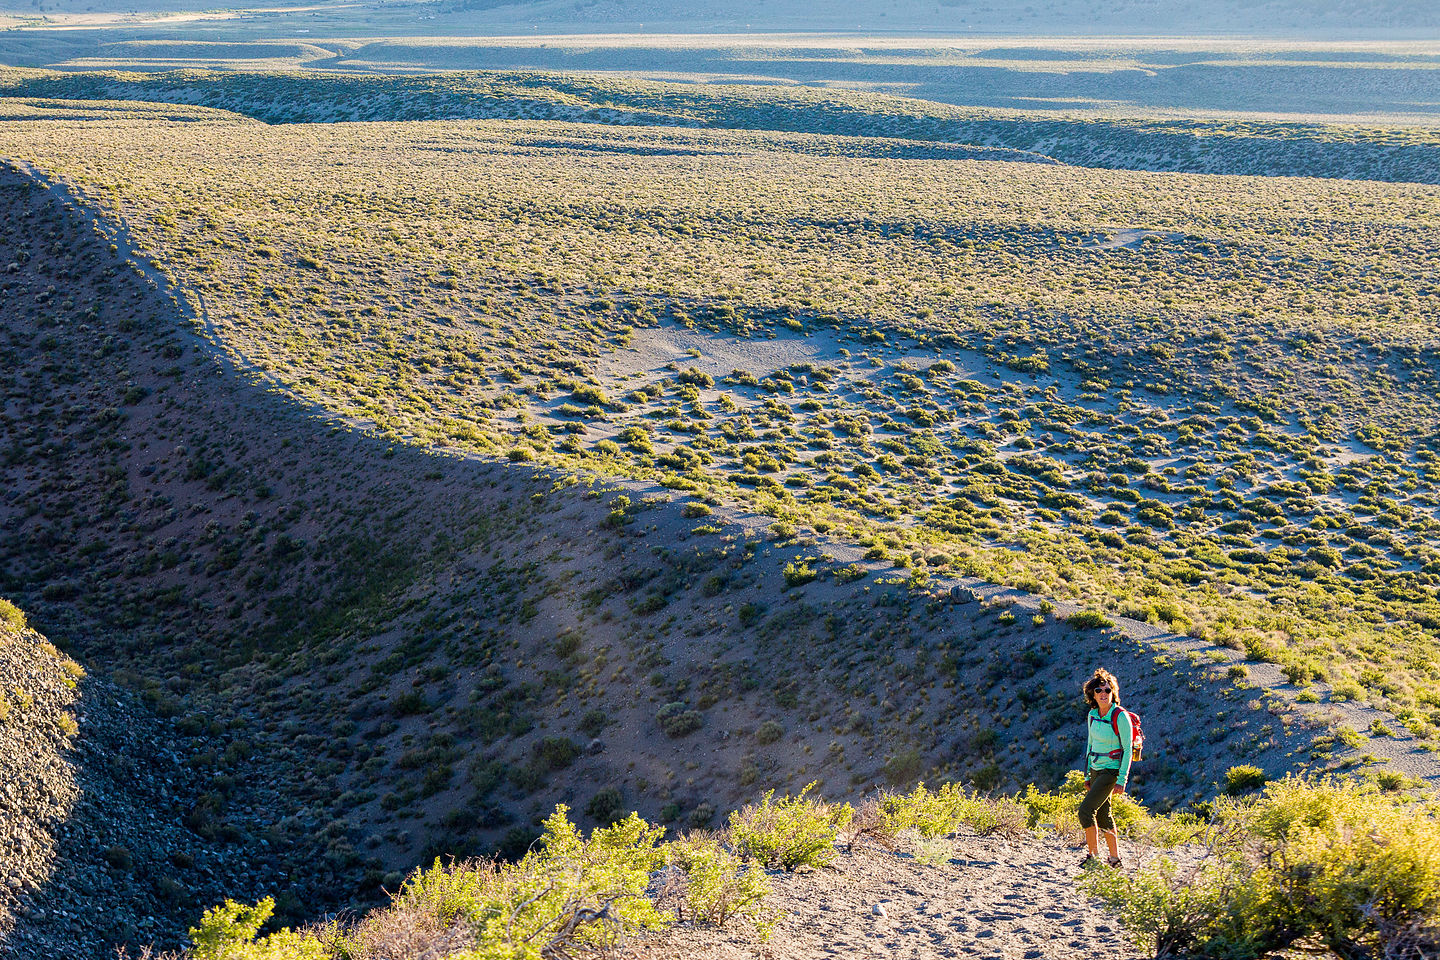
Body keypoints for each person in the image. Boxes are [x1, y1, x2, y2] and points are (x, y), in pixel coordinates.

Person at [1079, 668, 1132, 869]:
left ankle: (1093, 858)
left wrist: (1122, 779)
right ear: (1092, 694)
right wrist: (1086, 774)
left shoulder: (1119, 716)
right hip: (1095, 768)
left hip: (1111, 771)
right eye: (1099, 690)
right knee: (1103, 814)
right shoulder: (1092, 715)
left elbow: (1127, 749)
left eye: (1107, 690)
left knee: (1085, 811)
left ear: (1113, 693)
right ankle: (1115, 859)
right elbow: (1090, 745)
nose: (1103, 694)